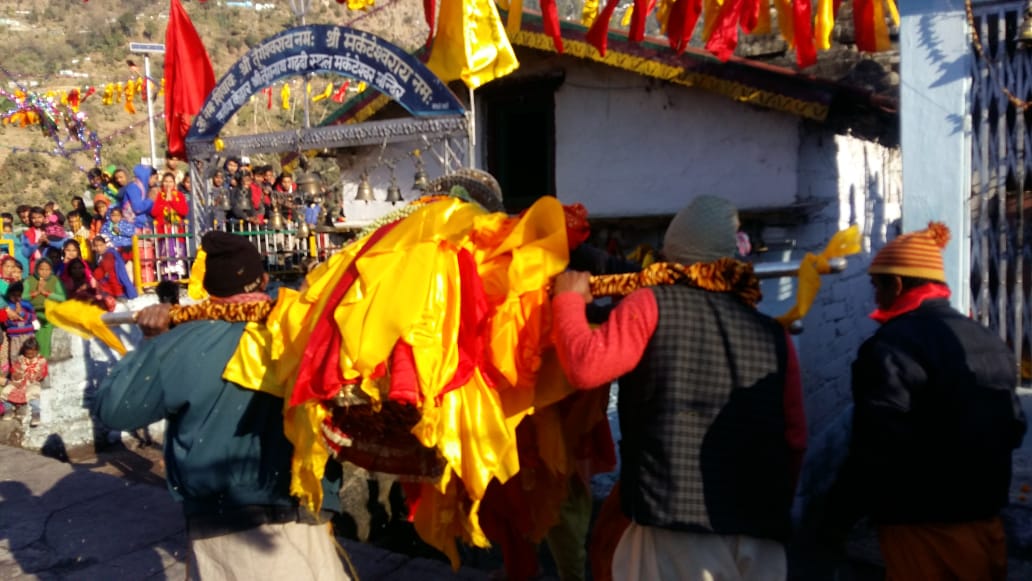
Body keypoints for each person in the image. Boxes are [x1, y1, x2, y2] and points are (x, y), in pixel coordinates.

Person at [550, 195, 806, 580]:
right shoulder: (774, 334)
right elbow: (796, 438)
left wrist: (567, 302)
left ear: (670, 255)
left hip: (677, 529)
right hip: (760, 530)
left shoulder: (650, 304)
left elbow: (586, 367)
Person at [94, 231, 351, 580]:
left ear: (207, 288)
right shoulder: (304, 327)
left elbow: (114, 410)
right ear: (263, 278)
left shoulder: (175, 343)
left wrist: (150, 343)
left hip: (223, 527)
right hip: (301, 513)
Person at [820, 222, 1027, 579]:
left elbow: (876, 447)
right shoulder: (987, 339)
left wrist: (835, 517)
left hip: (924, 528)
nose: (875, 297)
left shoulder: (891, 348)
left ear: (897, 285)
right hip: (987, 523)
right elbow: (1014, 428)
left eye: (877, 286)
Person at [23, 259, 65, 358]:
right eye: (42, 269)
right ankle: (35, 357)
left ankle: (44, 356)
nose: (44, 272)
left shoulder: (55, 280)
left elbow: (62, 298)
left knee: (46, 328)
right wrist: (37, 292)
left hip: (49, 312)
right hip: (32, 312)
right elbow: (22, 297)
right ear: (37, 269)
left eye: (47, 269)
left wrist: (46, 293)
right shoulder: (29, 280)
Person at [1, 337, 47, 427]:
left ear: (37, 351)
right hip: (20, 382)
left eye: (32, 353)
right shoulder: (20, 360)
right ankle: (8, 410)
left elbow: (44, 372)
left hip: (32, 382)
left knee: (34, 392)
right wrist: (16, 375)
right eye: (28, 353)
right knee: (6, 390)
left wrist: (40, 376)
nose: (30, 355)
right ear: (24, 352)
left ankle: (36, 413)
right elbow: (14, 370)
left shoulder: (41, 360)